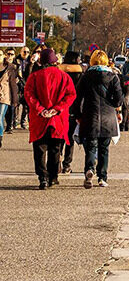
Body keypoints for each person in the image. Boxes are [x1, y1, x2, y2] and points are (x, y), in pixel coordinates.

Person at [24, 48, 76, 190]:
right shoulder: (64, 77)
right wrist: (57, 108)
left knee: (40, 149)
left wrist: (41, 109)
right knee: (55, 148)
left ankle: (43, 178)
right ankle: (53, 176)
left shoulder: (34, 76)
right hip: (58, 118)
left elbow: (29, 94)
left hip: (39, 118)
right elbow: (71, 95)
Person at [75, 50, 123, 188]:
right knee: (104, 149)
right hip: (108, 117)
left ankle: (89, 170)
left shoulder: (86, 77)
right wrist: (114, 106)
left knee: (91, 147)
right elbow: (119, 100)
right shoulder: (113, 77)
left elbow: (77, 98)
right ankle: (102, 178)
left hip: (90, 116)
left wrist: (78, 115)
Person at [59, 51, 84, 173]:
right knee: (70, 138)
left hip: (59, 108)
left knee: (59, 136)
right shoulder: (80, 73)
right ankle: (67, 164)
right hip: (74, 108)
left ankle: (57, 159)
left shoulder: (59, 71)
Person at [0, 49, 20, 148]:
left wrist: (15, 99)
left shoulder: (10, 67)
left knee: (0, 116)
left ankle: (0, 137)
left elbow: (13, 84)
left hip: (5, 95)